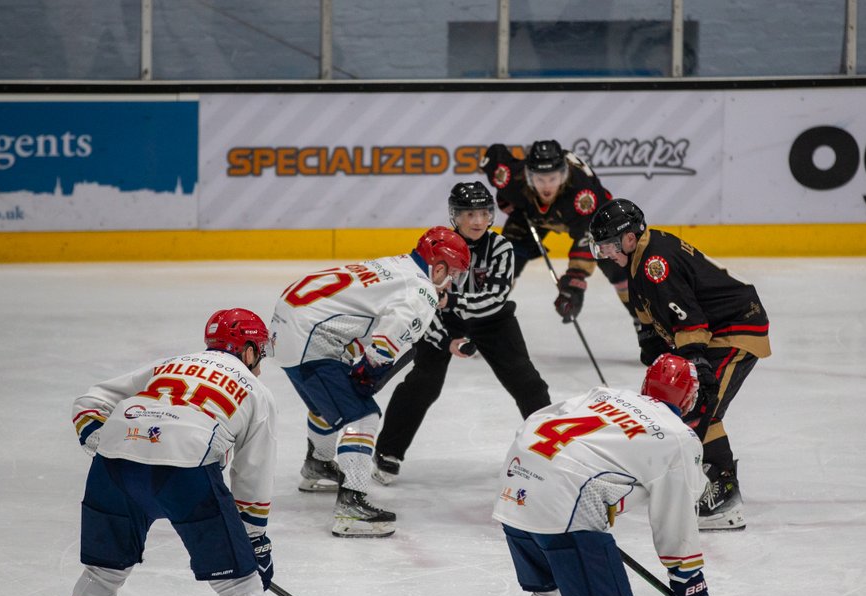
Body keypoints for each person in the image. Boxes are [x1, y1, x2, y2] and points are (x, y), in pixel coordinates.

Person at [59, 309, 293, 596]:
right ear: (247, 350)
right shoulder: (256, 390)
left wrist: (103, 441)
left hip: (114, 467)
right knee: (241, 586)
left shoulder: (171, 364)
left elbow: (90, 401)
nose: (259, 360)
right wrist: (254, 542)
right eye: (258, 351)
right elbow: (253, 475)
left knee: (103, 573)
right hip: (186, 472)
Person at [492, 354, 711, 596]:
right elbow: (676, 514)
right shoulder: (677, 436)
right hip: (564, 502)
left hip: (515, 487)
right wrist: (688, 580)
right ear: (690, 399)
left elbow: (536, 420)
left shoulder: (604, 394)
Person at [269, 226, 471, 537]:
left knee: (327, 403)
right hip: (312, 339)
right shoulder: (422, 290)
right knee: (362, 414)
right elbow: (387, 341)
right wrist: (370, 370)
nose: (452, 282)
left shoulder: (397, 264)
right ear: (439, 267)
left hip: (288, 328)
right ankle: (352, 505)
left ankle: (318, 465)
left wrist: (362, 365)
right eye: (453, 273)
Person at [588, 198, 770, 531]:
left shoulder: (655, 263)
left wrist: (696, 363)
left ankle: (724, 496)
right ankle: (709, 480)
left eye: (610, 246)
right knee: (694, 407)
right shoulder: (641, 258)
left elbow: (690, 321)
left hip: (735, 329)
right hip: (715, 331)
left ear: (629, 237)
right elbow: (655, 316)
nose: (608, 254)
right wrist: (653, 344)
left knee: (700, 405)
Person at [373, 181, 551, 484]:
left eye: (483, 213)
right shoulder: (434, 245)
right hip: (442, 320)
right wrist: (446, 337)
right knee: (422, 384)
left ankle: (553, 450)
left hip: (493, 321)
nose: (478, 221)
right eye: (469, 214)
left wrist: (452, 300)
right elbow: (422, 298)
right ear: (455, 216)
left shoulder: (501, 247)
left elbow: (496, 298)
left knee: (527, 382)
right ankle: (388, 451)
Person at [479, 139, 634, 324]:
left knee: (616, 266)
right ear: (528, 176)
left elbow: (589, 236)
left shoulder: (583, 195)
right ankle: (482, 316)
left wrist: (574, 285)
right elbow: (495, 153)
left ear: (564, 175)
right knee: (504, 263)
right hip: (531, 213)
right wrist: (505, 195)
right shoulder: (512, 178)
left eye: (553, 179)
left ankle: (643, 320)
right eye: (540, 179)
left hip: (590, 218)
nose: (546, 187)